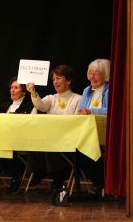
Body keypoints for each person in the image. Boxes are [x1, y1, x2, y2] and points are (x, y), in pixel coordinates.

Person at [26, 64, 82, 189]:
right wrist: (33, 92)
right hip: (52, 138)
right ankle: (38, 171)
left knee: (49, 142)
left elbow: (78, 123)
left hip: (69, 139)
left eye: (58, 78)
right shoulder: (51, 98)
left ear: (68, 80)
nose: (55, 82)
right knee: (32, 141)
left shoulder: (78, 99)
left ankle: (58, 176)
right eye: (54, 79)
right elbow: (40, 105)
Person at [0, 77, 35, 193]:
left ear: (23, 91)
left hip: (22, 140)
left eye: (16, 88)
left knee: (8, 145)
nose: (12, 90)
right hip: (2, 138)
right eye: (11, 88)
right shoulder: (4, 106)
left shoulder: (30, 106)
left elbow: (32, 126)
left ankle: (15, 176)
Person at [76, 58, 110, 189]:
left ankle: (100, 185)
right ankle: (98, 185)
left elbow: (111, 111)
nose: (92, 77)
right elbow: (81, 110)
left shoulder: (109, 89)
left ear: (105, 74)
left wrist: (91, 111)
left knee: (86, 152)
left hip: (103, 131)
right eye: (90, 72)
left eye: (96, 73)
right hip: (86, 131)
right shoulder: (86, 90)